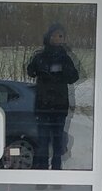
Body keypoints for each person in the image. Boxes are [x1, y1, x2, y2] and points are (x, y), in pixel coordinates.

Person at [26, 23, 79, 169]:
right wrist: (40, 67)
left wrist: (63, 69)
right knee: (43, 142)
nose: (57, 38)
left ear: (64, 39)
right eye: (54, 35)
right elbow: (30, 72)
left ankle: (56, 171)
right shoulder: (40, 56)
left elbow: (74, 77)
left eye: (60, 36)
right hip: (43, 106)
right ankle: (42, 172)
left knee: (57, 142)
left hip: (59, 107)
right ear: (48, 37)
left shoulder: (66, 58)